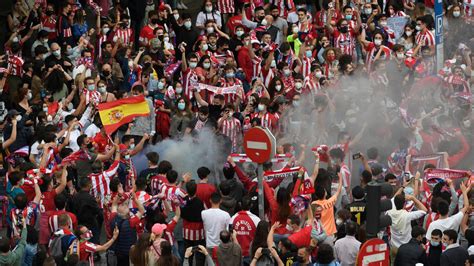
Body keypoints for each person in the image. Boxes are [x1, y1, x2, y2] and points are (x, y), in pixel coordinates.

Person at [387, 187, 427, 260]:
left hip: (394, 247)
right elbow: (424, 210)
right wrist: (413, 198)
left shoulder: (389, 212)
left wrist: (402, 187)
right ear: (404, 203)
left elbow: (393, 198)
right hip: (406, 247)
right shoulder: (407, 215)